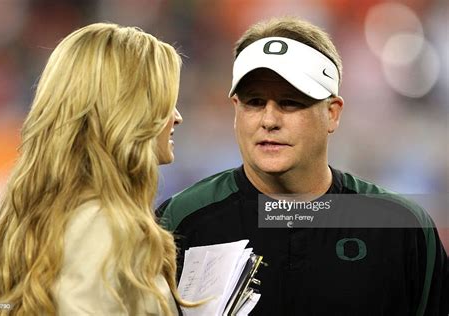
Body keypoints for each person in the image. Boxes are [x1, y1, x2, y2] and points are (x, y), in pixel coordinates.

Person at [157, 16, 448, 315]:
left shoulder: (399, 228)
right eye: (254, 102)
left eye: (290, 102)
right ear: (235, 109)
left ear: (332, 113)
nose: (269, 121)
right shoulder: (180, 222)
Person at [0, 22, 196, 315]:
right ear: (127, 111)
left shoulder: (48, 212)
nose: (177, 117)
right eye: (165, 102)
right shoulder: (103, 225)